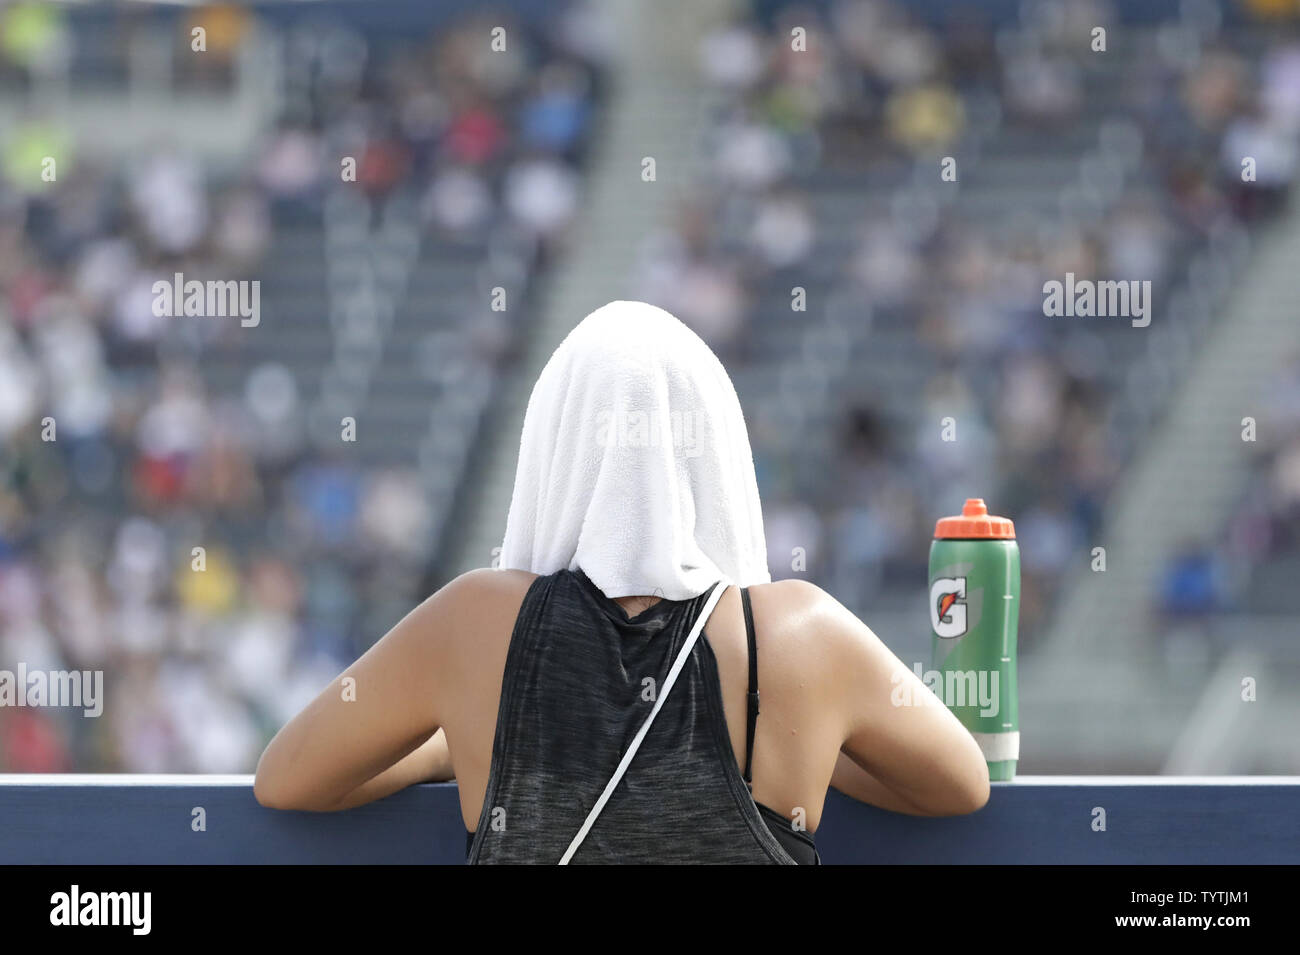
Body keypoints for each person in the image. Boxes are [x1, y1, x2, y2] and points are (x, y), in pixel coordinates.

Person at [254, 301, 989, 864]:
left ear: (553, 447)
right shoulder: (799, 635)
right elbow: (962, 783)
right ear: (716, 450)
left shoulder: (475, 624)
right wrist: (817, 740)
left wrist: (455, 742)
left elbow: (287, 779)